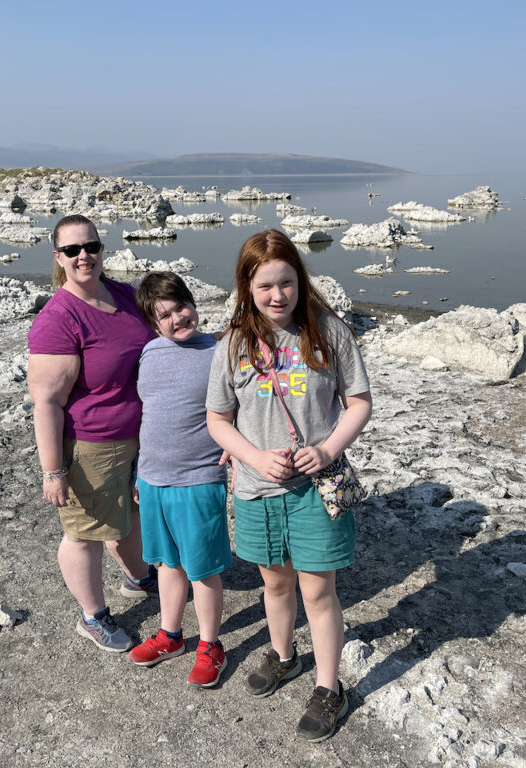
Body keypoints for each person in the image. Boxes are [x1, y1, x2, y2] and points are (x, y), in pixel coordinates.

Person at [205, 229, 372, 742]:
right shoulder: (233, 343)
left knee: (318, 592)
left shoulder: (329, 332)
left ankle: (329, 687)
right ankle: (284, 657)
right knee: (273, 583)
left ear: (301, 279)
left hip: (315, 488)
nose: (278, 295)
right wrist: (252, 456)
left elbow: (359, 403)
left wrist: (326, 449)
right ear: (246, 288)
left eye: (287, 283)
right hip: (256, 489)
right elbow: (217, 418)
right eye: (265, 287)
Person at [27, 214, 158, 654]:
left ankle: (139, 578)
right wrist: (52, 471)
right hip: (91, 444)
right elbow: (46, 401)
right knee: (84, 533)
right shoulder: (58, 318)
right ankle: (93, 616)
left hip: (140, 435)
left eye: (92, 247)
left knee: (130, 516)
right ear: (58, 258)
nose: (84, 256)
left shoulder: (122, 294)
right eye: (72, 250)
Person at [128, 272, 233, 687]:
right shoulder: (150, 353)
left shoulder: (220, 351)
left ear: (194, 301)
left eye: (181, 306)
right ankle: (171, 634)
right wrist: (139, 471)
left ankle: (211, 645)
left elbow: (241, 401)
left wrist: (237, 445)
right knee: (167, 563)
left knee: (202, 569)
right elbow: (148, 416)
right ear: (154, 325)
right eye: (165, 315)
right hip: (153, 478)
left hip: (199, 478)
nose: (177, 318)